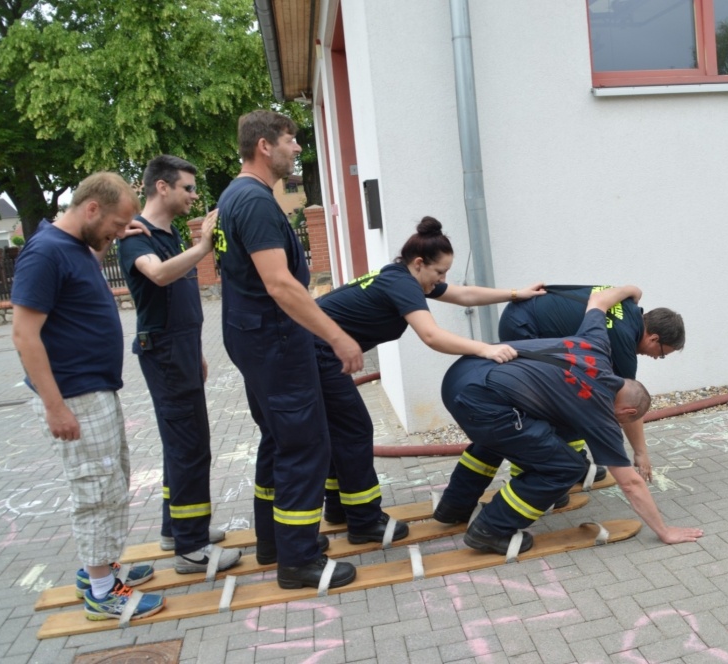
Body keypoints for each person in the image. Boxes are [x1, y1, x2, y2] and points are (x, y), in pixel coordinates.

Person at [315, 216, 545, 536]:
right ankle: (365, 522)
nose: (441, 280)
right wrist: (485, 349)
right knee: (354, 431)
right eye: (439, 272)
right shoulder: (404, 284)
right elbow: (431, 336)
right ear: (420, 263)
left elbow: (463, 295)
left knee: (338, 431)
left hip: (314, 350)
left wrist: (514, 293)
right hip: (315, 352)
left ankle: (339, 508)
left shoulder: (402, 276)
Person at [433, 286, 703, 553]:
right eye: (621, 420)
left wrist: (632, 289)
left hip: (463, 371)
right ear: (629, 412)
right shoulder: (599, 408)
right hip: (478, 399)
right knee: (565, 467)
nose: (616, 424)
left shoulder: (597, 344)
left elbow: (597, 300)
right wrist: (664, 532)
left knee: (502, 438)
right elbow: (631, 483)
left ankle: (455, 506)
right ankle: (490, 529)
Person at [216, 110, 362, 590]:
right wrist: (337, 336)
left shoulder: (235, 197)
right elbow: (279, 284)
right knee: (304, 445)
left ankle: (273, 542)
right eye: (290, 139)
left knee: (277, 440)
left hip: (253, 337)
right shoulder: (255, 202)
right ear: (263, 145)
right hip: (275, 340)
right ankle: (300, 560)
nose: (297, 148)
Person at [11, 172, 165, 621]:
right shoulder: (44, 253)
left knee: (111, 481)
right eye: (117, 223)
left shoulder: (74, 246)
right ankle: (102, 593)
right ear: (91, 208)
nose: (120, 233)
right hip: (74, 395)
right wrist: (54, 404)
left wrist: (118, 234)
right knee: (95, 491)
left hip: (94, 389)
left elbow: (91, 252)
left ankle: (100, 569)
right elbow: (24, 335)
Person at [117, 155, 241, 575]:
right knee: (190, 446)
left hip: (181, 349)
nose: (194, 195)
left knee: (181, 444)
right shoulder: (138, 237)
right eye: (187, 187)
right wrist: (203, 247)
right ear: (162, 188)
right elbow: (158, 276)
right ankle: (192, 549)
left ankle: (177, 530)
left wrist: (198, 350)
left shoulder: (165, 234)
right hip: (166, 352)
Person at [498, 284, 686, 482]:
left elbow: (634, 290)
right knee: (548, 402)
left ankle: (575, 465)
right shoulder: (623, 340)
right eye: (662, 354)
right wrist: (640, 453)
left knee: (578, 393)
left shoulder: (628, 307)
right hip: (523, 327)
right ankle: (531, 477)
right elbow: (632, 402)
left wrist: (632, 289)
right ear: (654, 339)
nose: (656, 358)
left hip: (523, 311)